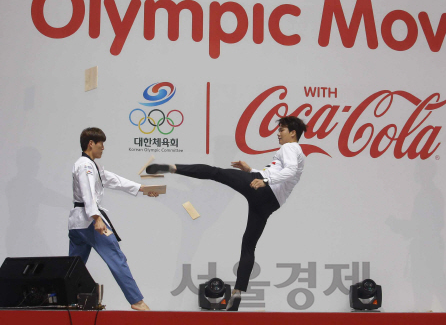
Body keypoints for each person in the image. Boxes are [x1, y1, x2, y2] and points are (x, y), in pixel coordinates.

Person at [147, 115, 307, 311]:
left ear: (293, 133)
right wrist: (252, 169)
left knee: (216, 173)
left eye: (281, 130)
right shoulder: (297, 153)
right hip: (270, 203)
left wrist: (264, 181)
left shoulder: (290, 147)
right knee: (248, 246)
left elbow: (288, 171)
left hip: (263, 188)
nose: (278, 134)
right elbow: (281, 173)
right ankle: (238, 292)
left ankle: (171, 168)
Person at [69, 127, 159, 311]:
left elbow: (114, 180)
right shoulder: (85, 165)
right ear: (91, 143)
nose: (103, 148)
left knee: (73, 267)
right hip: (90, 222)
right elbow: (88, 193)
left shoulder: (91, 165)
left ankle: (65, 298)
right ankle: (136, 301)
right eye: (101, 144)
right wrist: (97, 218)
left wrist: (143, 189)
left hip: (78, 224)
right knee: (116, 257)